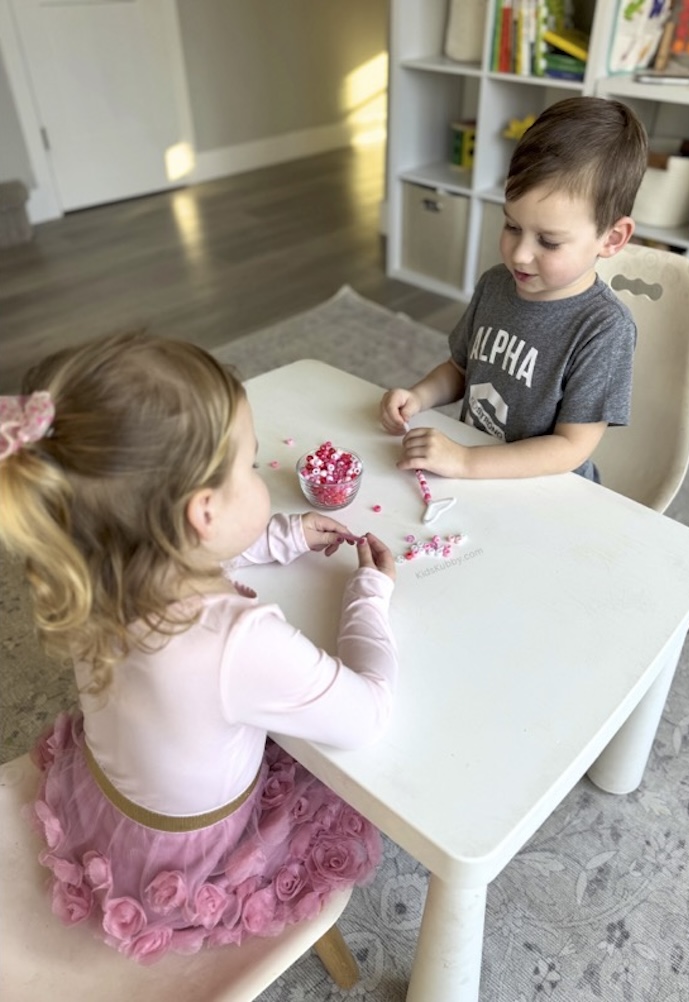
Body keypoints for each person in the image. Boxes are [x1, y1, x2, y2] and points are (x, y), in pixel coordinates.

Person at [0, 331, 398, 964]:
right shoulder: (238, 640)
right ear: (203, 513)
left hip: (109, 804)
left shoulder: (94, 561)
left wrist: (280, 536)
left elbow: (177, 553)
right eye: (249, 466)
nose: (259, 474)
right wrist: (369, 596)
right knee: (329, 785)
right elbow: (368, 715)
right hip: (194, 859)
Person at [381, 96, 649, 483]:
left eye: (549, 242)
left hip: (548, 489)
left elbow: (571, 447)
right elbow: (460, 368)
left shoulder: (604, 329)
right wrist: (419, 396)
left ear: (612, 238)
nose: (520, 255)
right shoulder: (495, 284)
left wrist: (466, 462)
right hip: (477, 466)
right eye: (511, 226)